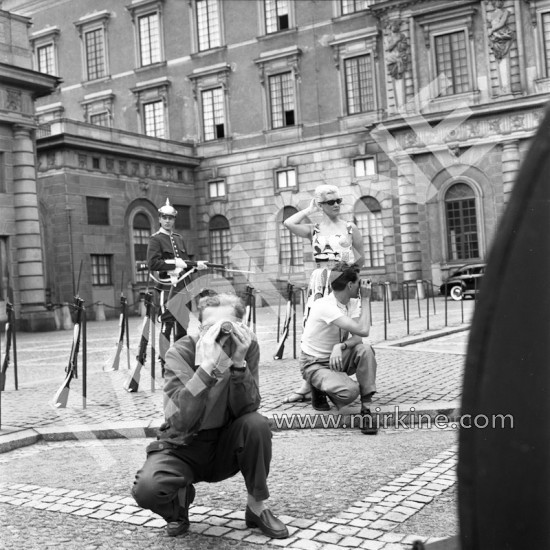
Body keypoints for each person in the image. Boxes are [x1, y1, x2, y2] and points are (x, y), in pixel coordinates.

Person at [132, 293, 289, 539]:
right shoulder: (181, 352)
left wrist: (238, 364)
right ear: (200, 327)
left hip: (226, 444)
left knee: (257, 424)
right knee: (147, 489)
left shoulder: (247, 347)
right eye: (210, 327)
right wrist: (205, 367)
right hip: (184, 446)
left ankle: (257, 506)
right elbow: (180, 421)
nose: (221, 335)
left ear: (242, 327)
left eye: (229, 328)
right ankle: (177, 509)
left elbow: (249, 408)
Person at [281, 184, 365, 406]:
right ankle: (308, 383)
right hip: (319, 282)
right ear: (320, 205)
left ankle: (330, 378)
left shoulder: (350, 228)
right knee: (313, 328)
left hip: (342, 278)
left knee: (339, 330)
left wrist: (345, 257)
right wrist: (308, 211)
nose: (336, 205)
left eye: (338, 200)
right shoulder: (314, 228)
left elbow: (361, 260)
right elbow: (288, 223)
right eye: (330, 202)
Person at [299, 262, 378, 435]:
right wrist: (366, 298)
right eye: (358, 282)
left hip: (337, 356)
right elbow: (364, 329)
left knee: (366, 350)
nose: (361, 286)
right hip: (314, 363)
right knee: (350, 392)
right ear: (350, 285)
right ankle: (319, 385)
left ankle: (366, 410)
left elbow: (358, 337)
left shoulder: (353, 302)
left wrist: (340, 345)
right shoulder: (324, 306)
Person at [147, 199, 206, 373]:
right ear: (159, 219)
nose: (167, 221)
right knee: (167, 326)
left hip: (183, 288)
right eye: (164, 218)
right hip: (168, 287)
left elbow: (185, 263)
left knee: (182, 326)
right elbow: (153, 263)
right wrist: (174, 263)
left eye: (170, 218)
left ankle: (181, 361)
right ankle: (165, 363)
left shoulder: (179, 239)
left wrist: (196, 265)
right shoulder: (155, 239)